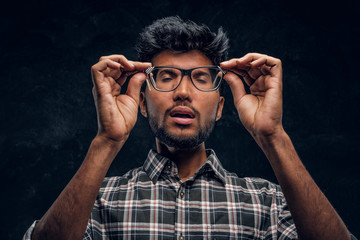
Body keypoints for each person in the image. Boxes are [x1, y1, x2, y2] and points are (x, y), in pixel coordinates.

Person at [23, 16, 356, 240]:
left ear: (221, 107)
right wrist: (107, 140)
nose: (183, 91)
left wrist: (272, 136)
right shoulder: (97, 201)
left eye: (201, 78)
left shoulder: (266, 203)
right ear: (141, 102)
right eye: (166, 76)